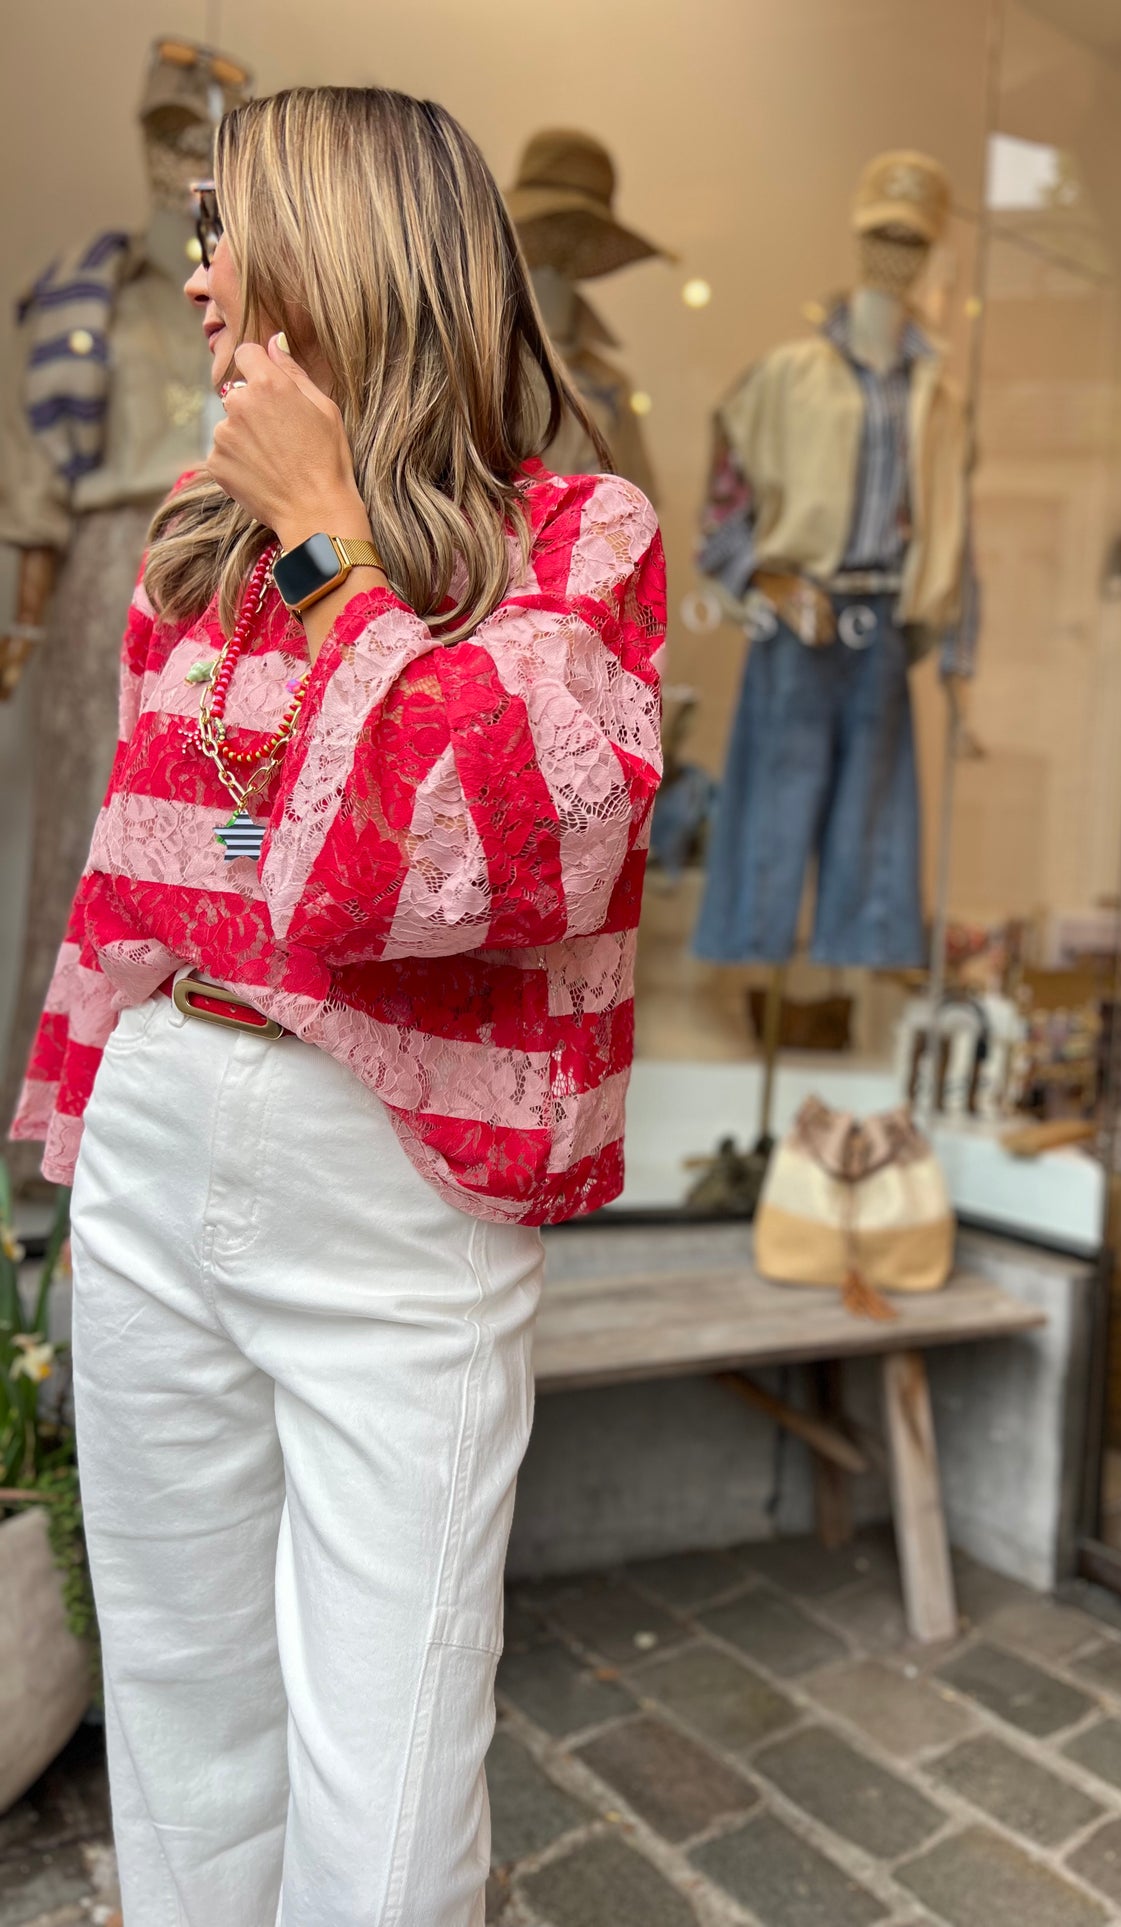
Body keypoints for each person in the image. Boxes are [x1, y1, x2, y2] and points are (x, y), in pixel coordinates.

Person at [9, 86, 665, 1926]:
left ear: (340, 257)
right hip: (159, 1144)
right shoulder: (178, 548)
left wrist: (333, 541)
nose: (199, 279)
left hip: (398, 1196)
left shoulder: (572, 541)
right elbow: (135, 878)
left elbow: (492, 858)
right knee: (182, 1705)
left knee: (382, 1785)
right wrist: (81, 1117)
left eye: (235, 235)